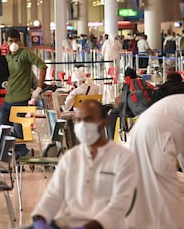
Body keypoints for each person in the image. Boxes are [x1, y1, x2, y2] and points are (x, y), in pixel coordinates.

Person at [31, 100, 138, 229]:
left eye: (88, 119)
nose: (82, 125)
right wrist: (40, 220)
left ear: (103, 123)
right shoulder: (70, 158)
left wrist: (87, 227)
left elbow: (120, 205)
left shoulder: (124, 158)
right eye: (78, 120)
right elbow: (52, 195)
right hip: (70, 223)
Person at [126, 94, 184, 229]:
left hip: (143, 131)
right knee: (164, 199)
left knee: (148, 194)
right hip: (156, 137)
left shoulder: (178, 102)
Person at [0, 28, 46, 159]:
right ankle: (9, 154)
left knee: (19, 128)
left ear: (20, 41)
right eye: (10, 41)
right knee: (2, 126)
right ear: (5, 42)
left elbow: (42, 66)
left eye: (16, 40)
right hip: (9, 97)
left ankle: (22, 155)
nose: (13, 43)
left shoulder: (25, 53)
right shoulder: (7, 56)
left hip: (22, 98)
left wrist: (39, 88)